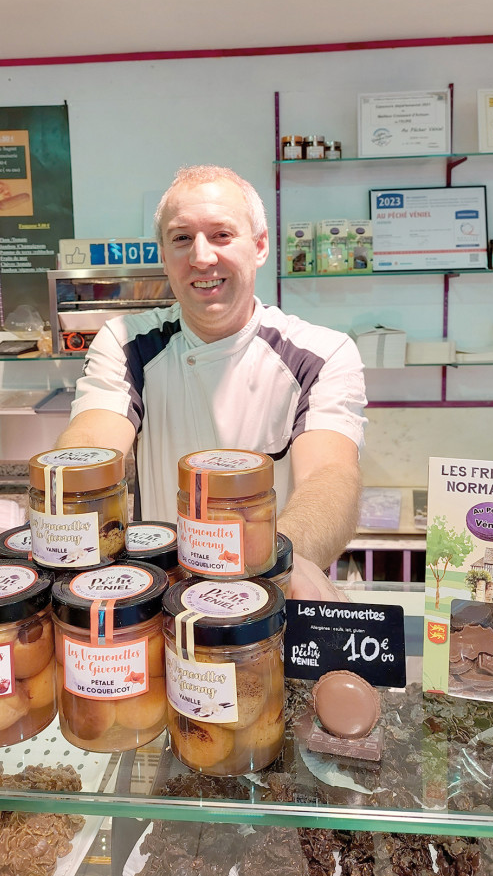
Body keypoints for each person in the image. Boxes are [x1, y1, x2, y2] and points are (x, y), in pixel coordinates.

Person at [56, 165, 367, 599]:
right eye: (182, 238)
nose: (202, 257)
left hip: (276, 584)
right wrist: (59, 518)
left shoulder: (319, 353)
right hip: (161, 593)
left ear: (259, 246)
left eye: (222, 235)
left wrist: (280, 559)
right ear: (163, 255)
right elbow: (92, 441)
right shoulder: (127, 342)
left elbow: (329, 474)